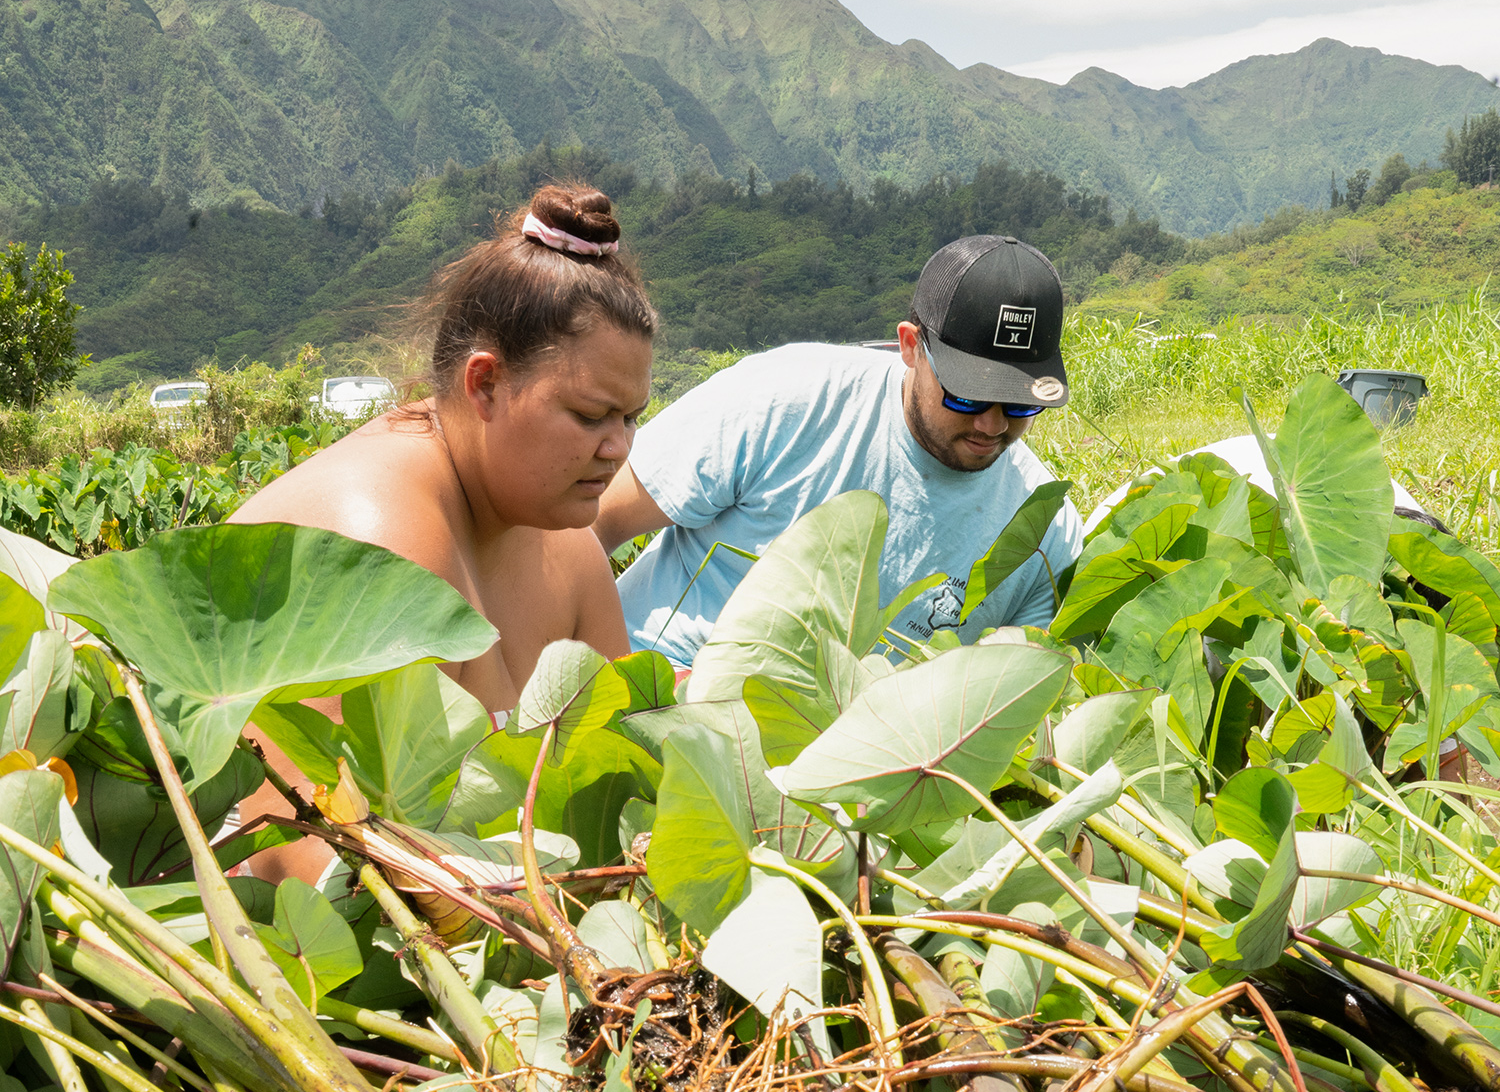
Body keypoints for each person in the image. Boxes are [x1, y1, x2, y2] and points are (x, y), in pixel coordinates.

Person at [228, 183, 654, 879]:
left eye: (630, 417)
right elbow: (299, 856)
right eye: (588, 415)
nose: (617, 448)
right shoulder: (382, 539)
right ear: (483, 384)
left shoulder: (571, 549)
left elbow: (617, 784)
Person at [594, 234, 1084, 668]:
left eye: (1020, 405)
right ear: (911, 346)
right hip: (655, 687)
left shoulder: (1044, 529)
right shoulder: (787, 399)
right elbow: (591, 526)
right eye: (968, 395)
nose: (991, 424)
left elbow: (1016, 691)